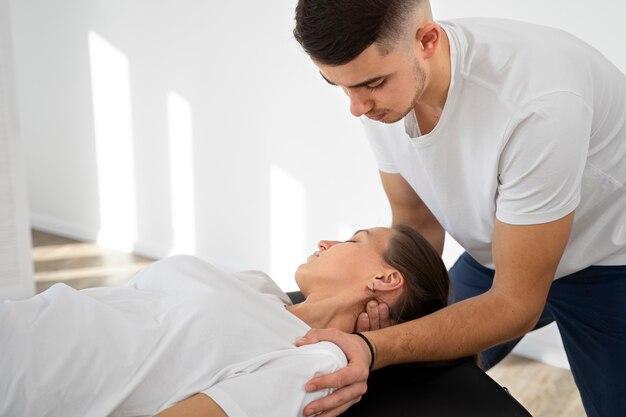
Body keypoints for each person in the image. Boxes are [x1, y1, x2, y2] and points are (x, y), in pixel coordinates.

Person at [292, 1, 626, 417]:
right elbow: (415, 224)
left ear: (427, 40)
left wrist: (371, 346)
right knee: (411, 365)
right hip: (503, 246)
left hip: (610, 258)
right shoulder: (381, 91)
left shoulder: (537, 104)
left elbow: (516, 304)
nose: (356, 107)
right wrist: (393, 310)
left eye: (371, 84)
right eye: (338, 85)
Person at [0, 225, 452, 417]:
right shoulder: (261, 288)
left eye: (355, 239)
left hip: (28, 382)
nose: (327, 240)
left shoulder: (317, 361)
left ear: (385, 278)